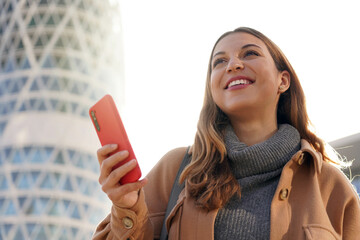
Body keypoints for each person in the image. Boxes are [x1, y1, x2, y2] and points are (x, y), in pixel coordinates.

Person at [92, 27, 360, 240]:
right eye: (219, 61)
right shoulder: (175, 171)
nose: (232, 64)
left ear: (283, 81)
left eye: (250, 54)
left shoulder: (331, 187)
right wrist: (126, 208)